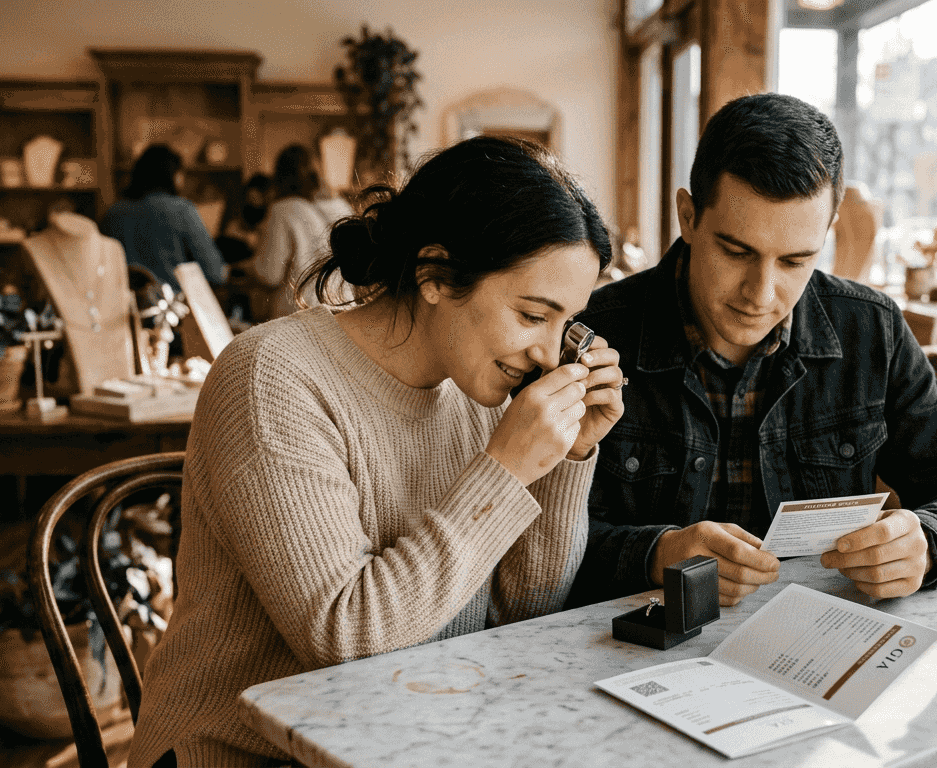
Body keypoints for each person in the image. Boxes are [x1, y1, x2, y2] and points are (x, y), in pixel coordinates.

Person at [128, 136, 625, 768]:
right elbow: (346, 637)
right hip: (247, 754)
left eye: (566, 324)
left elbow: (523, 607)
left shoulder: (480, 388)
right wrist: (504, 471)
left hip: (414, 737)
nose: (550, 357)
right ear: (436, 274)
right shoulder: (272, 378)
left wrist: (568, 459)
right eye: (531, 315)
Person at [570, 93, 937, 609]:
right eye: (737, 252)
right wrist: (655, 553)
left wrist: (929, 544)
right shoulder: (592, 336)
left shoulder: (872, 330)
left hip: (813, 645)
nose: (761, 293)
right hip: (630, 651)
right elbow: (532, 547)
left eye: (796, 261)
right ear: (688, 216)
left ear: (827, 231)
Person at [246, 143, 356, 319]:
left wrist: (250, 266)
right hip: (344, 311)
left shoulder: (283, 209)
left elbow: (270, 275)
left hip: (301, 315)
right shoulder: (342, 208)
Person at [100, 144, 226, 291]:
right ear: (174, 175)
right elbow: (216, 272)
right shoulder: (181, 210)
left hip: (123, 307)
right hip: (172, 307)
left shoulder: (113, 214)